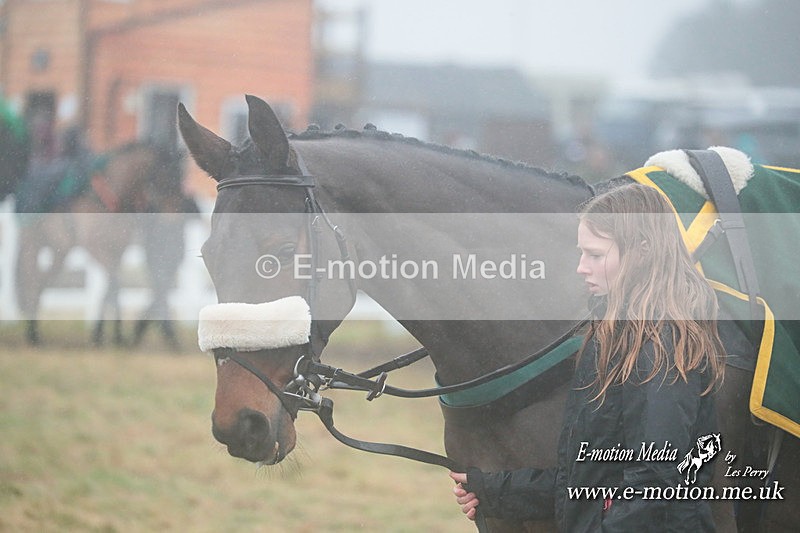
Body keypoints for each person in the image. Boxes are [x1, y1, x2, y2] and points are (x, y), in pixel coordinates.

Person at [450, 183, 725, 531]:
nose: (581, 267)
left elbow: (655, 483)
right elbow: (590, 482)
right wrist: (496, 491)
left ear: (642, 251)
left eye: (595, 255)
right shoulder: (614, 336)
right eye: (582, 253)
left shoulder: (661, 347)